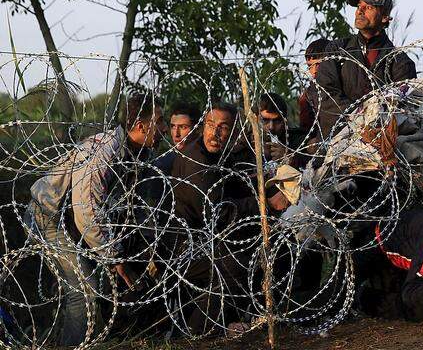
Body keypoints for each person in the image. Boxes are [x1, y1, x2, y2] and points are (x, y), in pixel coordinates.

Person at [23, 93, 167, 346]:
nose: (165, 128)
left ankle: (66, 339)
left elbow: (130, 206)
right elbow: (86, 210)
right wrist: (113, 256)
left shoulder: (138, 154)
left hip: (70, 221)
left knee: (82, 290)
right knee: (84, 290)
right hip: (49, 217)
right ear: (142, 126)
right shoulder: (104, 152)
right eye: (161, 120)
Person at [169, 102, 288, 333]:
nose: (215, 133)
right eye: (211, 125)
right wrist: (266, 204)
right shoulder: (196, 161)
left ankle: (242, 316)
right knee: (235, 264)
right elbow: (217, 212)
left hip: (205, 239)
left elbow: (234, 184)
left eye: (223, 127)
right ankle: (200, 330)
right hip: (185, 245)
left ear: (233, 132)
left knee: (266, 248)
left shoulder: (218, 154)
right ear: (203, 126)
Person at [315, 0, 417, 137]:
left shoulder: (400, 62)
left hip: (381, 145)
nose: (360, 11)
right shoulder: (337, 49)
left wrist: (372, 125)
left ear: (384, 18)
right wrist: (360, 118)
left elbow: (401, 109)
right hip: (337, 139)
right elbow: (326, 95)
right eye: (358, 7)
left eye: (368, 7)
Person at [154, 103, 200, 175]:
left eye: (183, 127)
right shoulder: (163, 164)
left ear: (197, 129)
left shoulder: (208, 159)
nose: (176, 134)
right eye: (173, 127)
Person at [299, 38, 329, 135]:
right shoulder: (307, 97)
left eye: (318, 64)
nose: (314, 70)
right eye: (310, 66)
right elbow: (305, 130)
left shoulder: (347, 86)